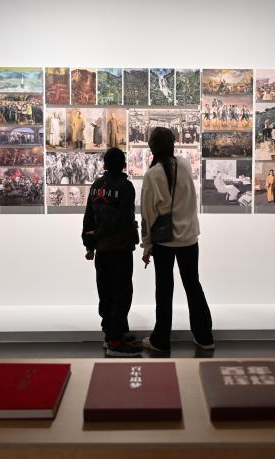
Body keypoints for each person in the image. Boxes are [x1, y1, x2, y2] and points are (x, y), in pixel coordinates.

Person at [140, 127, 213, 353]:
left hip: (164, 241)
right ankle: (204, 337)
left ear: (152, 147)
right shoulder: (185, 165)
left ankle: (161, 340)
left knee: (164, 290)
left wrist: (146, 245)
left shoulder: (152, 174)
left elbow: (147, 213)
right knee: (193, 286)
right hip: (189, 238)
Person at [82, 147, 141, 357]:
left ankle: (111, 333)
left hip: (102, 250)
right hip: (120, 248)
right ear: (124, 165)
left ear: (105, 165)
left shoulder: (96, 186)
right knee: (122, 293)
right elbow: (121, 219)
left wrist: (89, 242)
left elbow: (88, 217)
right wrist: (97, 236)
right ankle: (116, 341)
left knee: (105, 292)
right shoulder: (126, 187)